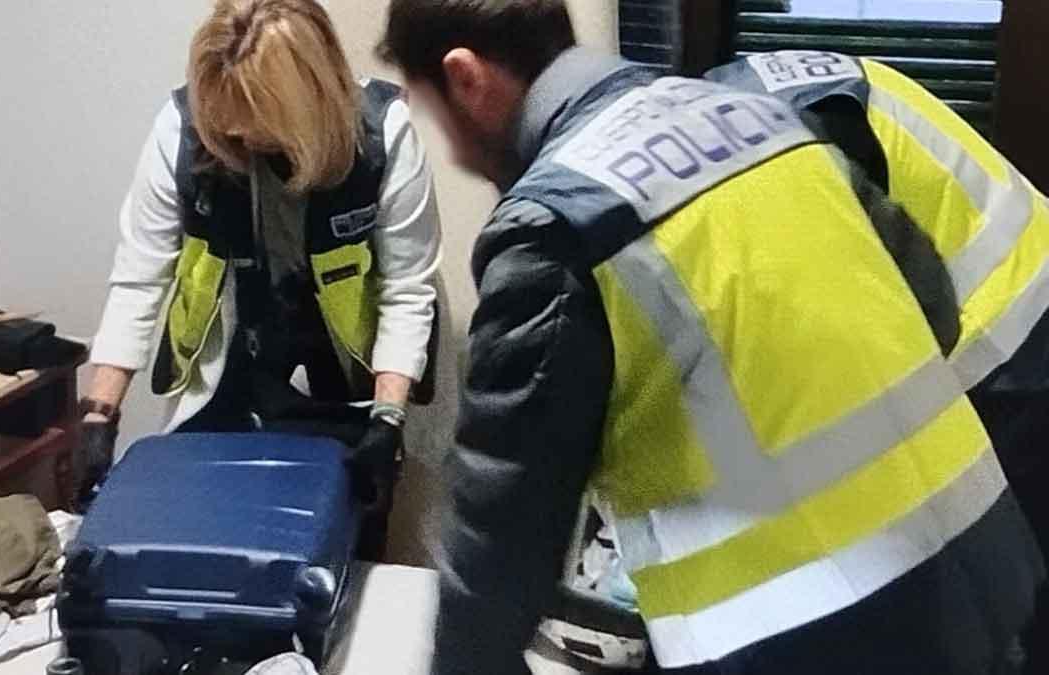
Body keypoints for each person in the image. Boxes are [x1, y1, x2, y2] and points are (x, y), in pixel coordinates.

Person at [375, 2, 1045, 674]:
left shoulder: (552, 229)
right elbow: (930, 305)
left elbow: (499, 543)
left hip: (814, 634)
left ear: (467, 79)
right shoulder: (761, 118)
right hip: (987, 563)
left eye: (437, 120)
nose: (453, 151)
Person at [707, 52, 1049, 666]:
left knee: (997, 597)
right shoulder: (749, 95)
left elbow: (895, 316)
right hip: (1023, 299)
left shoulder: (762, 150)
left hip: (1009, 346)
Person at [73, 0, 442, 559]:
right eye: (228, 129)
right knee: (204, 540)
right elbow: (138, 278)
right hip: (229, 369)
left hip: (341, 380)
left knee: (336, 541)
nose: (238, 140)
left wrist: (388, 420)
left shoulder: (383, 134)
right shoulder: (181, 128)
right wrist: (100, 416)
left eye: (259, 127)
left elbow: (407, 289)